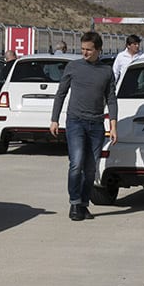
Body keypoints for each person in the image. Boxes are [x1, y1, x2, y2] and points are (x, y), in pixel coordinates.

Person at [50, 31, 118, 221]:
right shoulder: (73, 66)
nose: (85, 53)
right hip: (75, 122)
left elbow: (111, 99)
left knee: (90, 169)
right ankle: (74, 203)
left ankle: (84, 204)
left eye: (89, 50)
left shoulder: (106, 71)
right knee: (76, 163)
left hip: (96, 124)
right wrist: (54, 119)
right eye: (82, 49)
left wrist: (113, 125)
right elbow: (61, 93)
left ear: (98, 50)